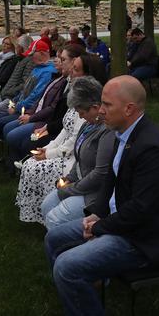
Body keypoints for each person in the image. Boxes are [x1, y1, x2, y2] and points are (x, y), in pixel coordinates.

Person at [44, 76, 159, 316]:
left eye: (107, 105)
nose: (100, 110)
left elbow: (141, 211)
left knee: (66, 267)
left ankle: (79, 289)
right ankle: (82, 291)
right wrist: (96, 214)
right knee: (53, 238)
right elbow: (109, 183)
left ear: (129, 109)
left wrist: (100, 227)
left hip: (144, 239)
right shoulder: (123, 135)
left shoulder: (152, 148)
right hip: (121, 222)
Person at [15, 75, 93, 224]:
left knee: (36, 167)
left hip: (72, 156)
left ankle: (47, 213)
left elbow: (74, 142)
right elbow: (64, 130)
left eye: (76, 70)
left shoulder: (86, 109)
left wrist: (49, 154)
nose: (72, 75)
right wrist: (46, 149)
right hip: (63, 149)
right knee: (30, 163)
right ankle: (36, 210)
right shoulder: (74, 103)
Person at [40, 77, 114, 229]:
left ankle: (64, 243)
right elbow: (79, 158)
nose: (80, 116)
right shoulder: (88, 125)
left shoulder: (106, 132)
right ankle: (57, 239)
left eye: (82, 112)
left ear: (95, 107)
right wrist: (69, 178)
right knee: (47, 205)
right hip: (80, 184)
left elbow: (100, 174)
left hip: (94, 194)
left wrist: (71, 189)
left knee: (55, 219)